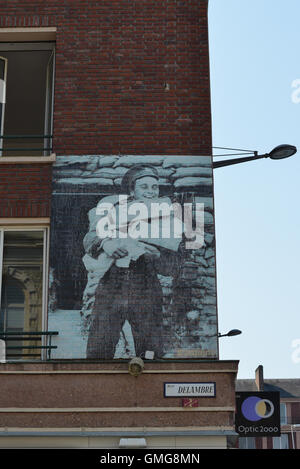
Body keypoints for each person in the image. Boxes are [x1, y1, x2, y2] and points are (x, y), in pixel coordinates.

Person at [83, 164, 182, 359]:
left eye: (154, 187)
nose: (150, 192)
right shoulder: (114, 211)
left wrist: (157, 257)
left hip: (145, 285)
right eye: (144, 187)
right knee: (100, 344)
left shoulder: (167, 217)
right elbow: (90, 238)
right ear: (132, 190)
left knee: (150, 348)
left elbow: (174, 264)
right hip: (112, 283)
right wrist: (106, 244)